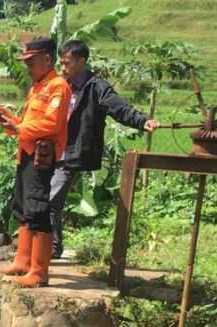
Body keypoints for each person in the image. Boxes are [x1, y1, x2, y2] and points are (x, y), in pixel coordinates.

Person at [51, 39, 160, 258]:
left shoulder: (96, 87)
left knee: (51, 199)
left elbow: (119, 107)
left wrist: (141, 121)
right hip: (52, 149)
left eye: (67, 63)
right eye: (61, 63)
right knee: (46, 199)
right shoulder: (60, 84)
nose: (63, 67)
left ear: (81, 61)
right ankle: (50, 247)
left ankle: (51, 249)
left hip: (73, 151)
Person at [0, 37, 71, 288]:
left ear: (47, 59)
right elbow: (26, 126)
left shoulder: (58, 87)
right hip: (26, 154)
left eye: (31, 62)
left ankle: (39, 272)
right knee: (23, 207)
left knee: (38, 210)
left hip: (41, 158)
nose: (28, 68)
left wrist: (19, 126)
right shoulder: (37, 86)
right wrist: (9, 120)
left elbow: (51, 124)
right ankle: (23, 261)